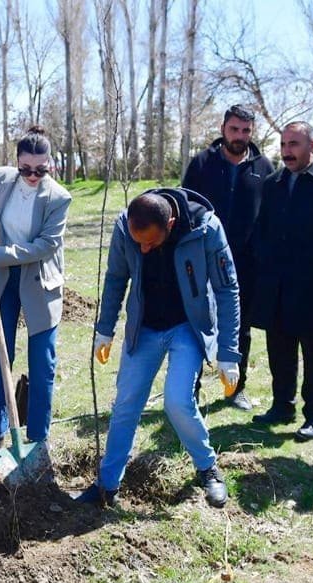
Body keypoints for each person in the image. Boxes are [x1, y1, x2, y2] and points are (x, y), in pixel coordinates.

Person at [79, 189, 240, 509]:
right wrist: (105, 329)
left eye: (151, 242)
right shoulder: (125, 226)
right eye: (137, 241)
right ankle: (107, 485)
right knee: (125, 403)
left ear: (171, 224)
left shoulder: (206, 229)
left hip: (187, 327)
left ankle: (208, 468)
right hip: (144, 327)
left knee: (178, 402)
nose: (143, 248)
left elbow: (227, 289)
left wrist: (228, 353)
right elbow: (115, 278)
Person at [0, 126, 72, 452]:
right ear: (16, 162)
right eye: (26, 169)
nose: (32, 176)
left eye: (40, 170)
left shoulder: (58, 197)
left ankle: (38, 437)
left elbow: (46, 245)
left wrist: (0, 253)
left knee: (42, 360)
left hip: (39, 281)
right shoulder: (0, 180)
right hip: (2, 280)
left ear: (50, 164)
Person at [249, 121, 313, 441]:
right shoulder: (273, 182)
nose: (286, 152)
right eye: (283, 145)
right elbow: (262, 226)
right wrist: (265, 260)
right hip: (276, 282)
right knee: (279, 348)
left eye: (294, 144)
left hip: (312, 281)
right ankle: (282, 406)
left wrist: (310, 262)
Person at [181, 105, 274, 411]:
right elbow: (185, 207)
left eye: (246, 131)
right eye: (234, 129)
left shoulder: (264, 168)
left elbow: (269, 216)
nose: (239, 136)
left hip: (245, 263)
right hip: (202, 258)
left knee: (240, 326)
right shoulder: (201, 164)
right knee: (196, 324)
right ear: (223, 129)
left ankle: (235, 389)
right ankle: (190, 390)